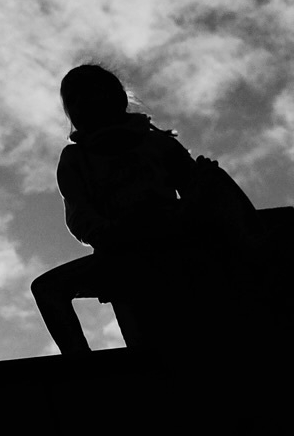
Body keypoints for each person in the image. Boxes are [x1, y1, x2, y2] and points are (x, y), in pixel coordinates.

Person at [31, 65, 208, 355]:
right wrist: (111, 235)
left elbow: (197, 196)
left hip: (172, 241)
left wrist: (198, 192)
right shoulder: (76, 157)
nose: (81, 104)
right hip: (119, 251)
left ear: (114, 96)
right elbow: (78, 212)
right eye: (73, 100)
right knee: (48, 289)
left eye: (88, 93)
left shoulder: (158, 143)